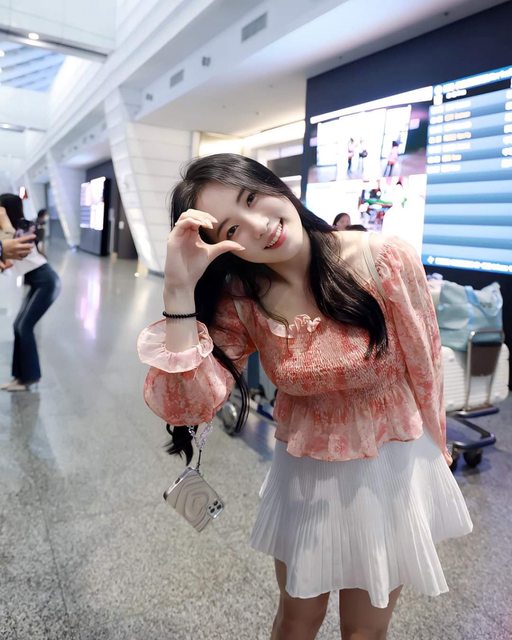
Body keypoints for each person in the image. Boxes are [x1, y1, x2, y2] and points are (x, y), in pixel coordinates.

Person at [137, 154, 472, 640]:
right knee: (297, 619)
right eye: (233, 228)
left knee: (365, 630)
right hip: (307, 473)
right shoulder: (243, 300)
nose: (259, 225)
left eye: (253, 198)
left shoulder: (384, 260)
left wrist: (438, 445)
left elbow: (426, 362)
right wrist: (178, 290)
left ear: (274, 185)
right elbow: (188, 405)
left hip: (391, 466)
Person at [0, 194, 61, 392]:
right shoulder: (11, 230)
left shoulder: (21, 227)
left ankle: (30, 378)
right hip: (38, 282)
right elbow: (8, 256)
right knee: (18, 326)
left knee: (24, 327)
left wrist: (4, 221)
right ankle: (20, 377)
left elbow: (15, 245)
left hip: (46, 281)